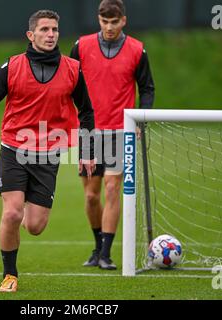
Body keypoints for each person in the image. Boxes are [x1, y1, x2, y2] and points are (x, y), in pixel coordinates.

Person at [0, 10, 95, 292]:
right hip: (14, 149)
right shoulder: (12, 67)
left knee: (36, 226)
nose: (50, 34)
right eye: (44, 29)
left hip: (48, 154)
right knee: (13, 214)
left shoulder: (72, 69)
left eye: (54, 29)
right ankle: (9, 275)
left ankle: (23, 210)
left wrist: (88, 150)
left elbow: (86, 112)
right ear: (31, 35)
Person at [70, 0, 155, 270]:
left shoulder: (137, 50)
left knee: (111, 187)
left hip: (121, 130)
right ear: (98, 19)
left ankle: (106, 254)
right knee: (91, 196)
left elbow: (147, 88)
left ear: (123, 21)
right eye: (105, 22)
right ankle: (97, 247)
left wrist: (141, 120)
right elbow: (67, 82)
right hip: (88, 131)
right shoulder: (80, 46)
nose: (109, 27)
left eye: (114, 22)